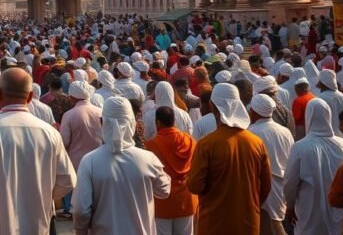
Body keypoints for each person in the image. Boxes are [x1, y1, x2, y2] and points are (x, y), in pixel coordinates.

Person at [0, 67, 75, 235]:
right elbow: (67, 180)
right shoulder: (50, 133)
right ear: (31, 97)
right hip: (35, 225)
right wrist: (38, 192)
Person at [73, 96, 171, 235]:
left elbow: (81, 210)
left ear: (102, 122)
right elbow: (164, 190)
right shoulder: (148, 159)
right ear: (132, 123)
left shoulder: (89, 161)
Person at [189, 84, 272, 234]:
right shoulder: (256, 142)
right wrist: (250, 204)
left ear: (212, 106)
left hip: (214, 223)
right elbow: (266, 185)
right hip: (248, 222)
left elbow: (195, 186)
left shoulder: (206, 144)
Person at [284, 99, 343, 235]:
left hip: (309, 210)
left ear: (309, 115)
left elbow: (290, 182)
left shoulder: (300, 147)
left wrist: (289, 206)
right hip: (338, 212)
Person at [144, 106, 198, 235]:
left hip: (162, 201)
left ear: (158, 123)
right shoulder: (190, 140)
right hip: (187, 199)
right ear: (174, 121)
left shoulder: (151, 145)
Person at [247, 94, 294, 235]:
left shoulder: (251, 133)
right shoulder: (285, 131)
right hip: (283, 185)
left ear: (253, 112)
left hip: (263, 186)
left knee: (271, 225)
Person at [59, 80, 103, 219]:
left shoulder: (70, 114)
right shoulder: (100, 111)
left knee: (76, 193)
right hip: (99, 159)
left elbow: (64, 141)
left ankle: (72, 212)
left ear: (72, 97)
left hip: (76, 161)